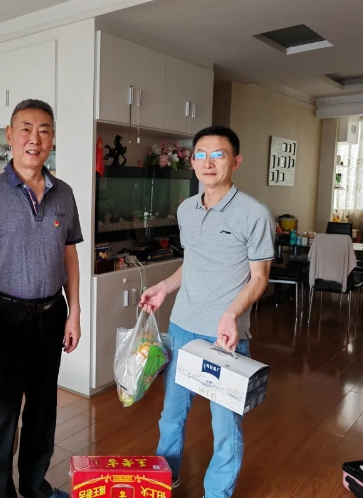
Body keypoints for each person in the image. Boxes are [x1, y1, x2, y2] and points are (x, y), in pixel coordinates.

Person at [139, 126, 274, 498]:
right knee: (171, 414)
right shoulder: (186, 209)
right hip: (181, 326)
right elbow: (194, 262)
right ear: (192, 161)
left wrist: (231, 314)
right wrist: (164, 287)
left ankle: (217, 493)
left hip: (224, 336)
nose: (208, 162)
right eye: (201, 154)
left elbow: (260, 277)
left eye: (219, 154)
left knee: (225, 426)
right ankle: (166, 477)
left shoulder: (254, 214)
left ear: (236, 161)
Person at [0, 99, 82, 498]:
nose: (35, 139)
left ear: (53, 139)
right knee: (2, 413)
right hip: (3, 317)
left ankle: (35, 487)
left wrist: (74, 312)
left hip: (51, 313)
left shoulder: (64, 194)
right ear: (10, 136)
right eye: (26, 129)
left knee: (44, 410)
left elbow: (69, 254)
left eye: (44, 130)